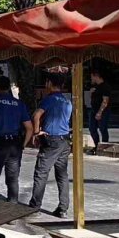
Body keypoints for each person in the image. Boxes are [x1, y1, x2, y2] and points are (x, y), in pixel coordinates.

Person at [29, 73, 74, 218]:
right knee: (62, 174)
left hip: (51, 139)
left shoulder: (49, 100)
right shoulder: (67, 101)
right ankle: (63, 208)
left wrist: (36, 132)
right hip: (65, 140)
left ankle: (35, 207)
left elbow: (36, 115)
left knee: (41, 173)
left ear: (49, 83)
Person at [0, 76, 32, 202]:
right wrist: (23, 144)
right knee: (13, 179)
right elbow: (29, 128)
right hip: (15, 144)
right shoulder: (19, 104)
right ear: (9, 87)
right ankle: (12, 207)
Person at [88, 69, 111, 154]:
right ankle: (96, 145)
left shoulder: (105, 87)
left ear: (96, 76)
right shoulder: (95, 87)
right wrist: (91, 93)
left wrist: (100, 112)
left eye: (92, 77)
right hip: (93, 109)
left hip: (103, 111)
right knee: (92, 128)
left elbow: (105, 100)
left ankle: (105, 146)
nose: (91, 79)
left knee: (102, 128)